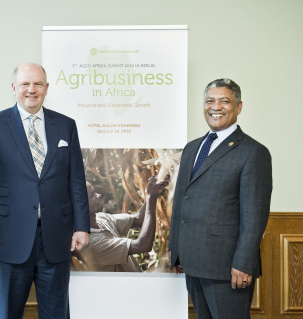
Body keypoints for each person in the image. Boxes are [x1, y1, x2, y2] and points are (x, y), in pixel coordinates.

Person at [0, 63, 90, 319]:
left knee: (56, 314)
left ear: (47, 88)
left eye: (37, 84)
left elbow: (76, 181)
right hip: (6, 240)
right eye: (25, 84)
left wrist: (81, 226)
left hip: (55, 239)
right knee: (8, 314)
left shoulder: (66, 126)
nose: (31, 90)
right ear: (14, 88)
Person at [169, 78, 272, 319]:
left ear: (239, 107)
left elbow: (254, 216)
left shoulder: (253, 152)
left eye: (225, 101)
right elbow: (182, 201)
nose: (216, 106)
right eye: (210, 101)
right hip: (192, 261)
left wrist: (244, 263)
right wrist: (176, 251)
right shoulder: (192, 148)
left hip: (227, 267)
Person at [75, 177, 169, 272]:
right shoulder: (91, 244)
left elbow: (139, 219)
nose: (98, 195)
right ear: (80, 206)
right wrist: (151, 197)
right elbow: (143, 245)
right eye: (92, 195)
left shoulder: (100, 218)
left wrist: (152, 191)